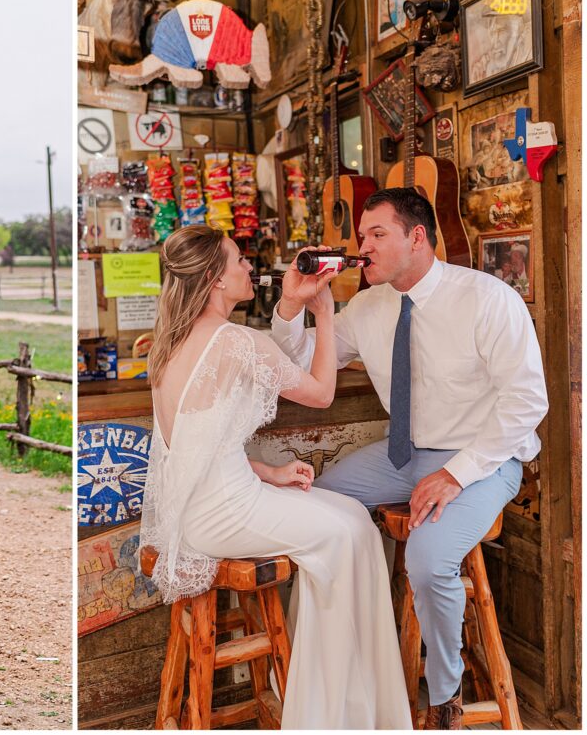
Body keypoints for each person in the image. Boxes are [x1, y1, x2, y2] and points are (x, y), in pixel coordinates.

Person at [271, 187, 548, 728]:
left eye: (377, 235)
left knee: (426, 560)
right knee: (316, 500)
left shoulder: (487, 299)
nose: (364, 247)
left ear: (417, 237)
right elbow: (303, 361)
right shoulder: (368, 306)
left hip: (482, 460)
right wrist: (292, 305)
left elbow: (526, 403)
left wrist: (455, 472)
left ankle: (444, 696)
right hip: (405, 455)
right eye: (360, 237)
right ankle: (346, 666)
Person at [141, 225, 411, 729]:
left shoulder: (170, 342)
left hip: (206, 507)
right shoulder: (236, 341)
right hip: (226, 511)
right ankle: (329, 713)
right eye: (239, 260)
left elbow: (197, 446)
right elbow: (322, 392)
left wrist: (270, 471)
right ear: (214, 278)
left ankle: (338, 698)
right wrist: (325, 315)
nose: (248, 267)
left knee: (351, 515)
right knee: (349, 534)